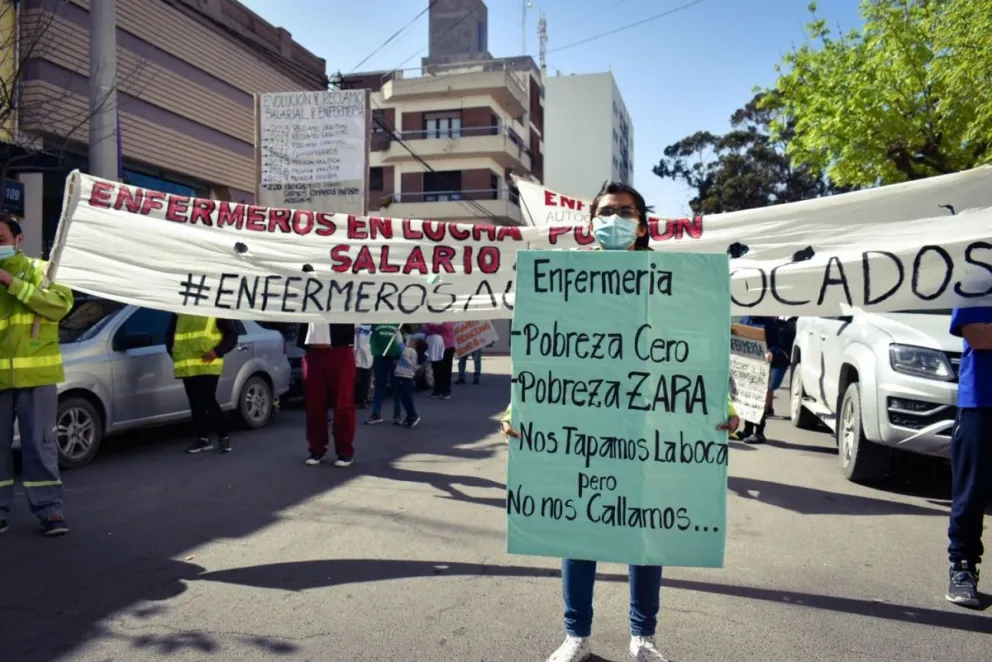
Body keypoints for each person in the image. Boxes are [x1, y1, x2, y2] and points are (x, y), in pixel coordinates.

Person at [504, 181, 740, 662]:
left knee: (645, 534)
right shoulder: (567, 277)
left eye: (625, 211)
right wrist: (518, 408)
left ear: (642, 222)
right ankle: (577, 636)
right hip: (578, 422)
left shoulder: (672, 279)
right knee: (578, 527)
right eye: (606, 212)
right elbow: (541, 352)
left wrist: (724, 406)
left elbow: (699, 347)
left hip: (650, 425)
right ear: (591, 224)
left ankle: (643, 636)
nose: (614, 219)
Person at [0, 216, 73, 537]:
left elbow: (59, 307)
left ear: (18, 239)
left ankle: (49, 511)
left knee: (40, 445)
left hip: (37, 377)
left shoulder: (45, 271)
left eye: (0, 239)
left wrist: (10, 282)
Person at [945, 305, 992, 607]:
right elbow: (978, 336)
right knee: (971, 490)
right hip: (983, 400)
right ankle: (962, 567)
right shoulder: (977, 276)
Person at [165, 314, 239, 454]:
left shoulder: (212, 308)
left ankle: (223, 437)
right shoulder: (179, 311)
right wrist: (174, 353)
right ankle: (203, 439)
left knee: (208, 400)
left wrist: (217, 351)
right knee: (195, 402)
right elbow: (170, 335)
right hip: (187, 364)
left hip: (208, 363)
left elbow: (232, 335)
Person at [298, 322, 356, 468]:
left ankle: (345, 451)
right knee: (314, 404)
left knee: (343, 403)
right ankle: (316, 449)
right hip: (314, 351)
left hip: (339, 349)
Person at [737, 315, 790, 444]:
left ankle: (759, 432)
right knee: (747, 398)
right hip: (746, 365)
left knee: (758, 399)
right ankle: (747, 430)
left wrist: (771, 352)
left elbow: (776, 345)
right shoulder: (744, 320)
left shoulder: (769, 323)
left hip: (762, 367)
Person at [366, 323, 403, 425]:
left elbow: (399, 339)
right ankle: (376, 413)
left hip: (393, 357)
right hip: (379, 357)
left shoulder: (396, 323)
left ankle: (397, 415)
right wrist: (375, 352)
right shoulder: (376, 323)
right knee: (379, 385)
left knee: (396, 387)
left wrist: (397, 355)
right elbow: (372, 338)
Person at [393, 336, 421, 429]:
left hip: (404, 376)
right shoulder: (412, 352)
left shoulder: (410, 351)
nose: (410, 342)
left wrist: (397, 334)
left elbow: (402, 348)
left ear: (415, 345)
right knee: (404, 398)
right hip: (403, 376)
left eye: (413, 341)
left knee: (406, 398)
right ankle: (409, 416)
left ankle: (413, 415)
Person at [421, 322, 455, 398]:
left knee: (446, 369)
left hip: (447, 346)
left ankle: (446, 390)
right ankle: (437, 389)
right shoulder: (431, 316)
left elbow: (445, 327)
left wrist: (432, 326)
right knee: (436, 368)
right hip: (434, 346)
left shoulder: (447, 314)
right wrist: (436, 328)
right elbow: (424, 328)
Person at [354, 324, 373, 409]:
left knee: (365, 379)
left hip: (368, 355)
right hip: (355, 354)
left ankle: (363, 399)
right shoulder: (355, 322)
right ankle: (357, 399)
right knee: (356, 379)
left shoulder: (372, 324)